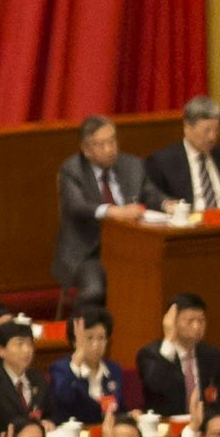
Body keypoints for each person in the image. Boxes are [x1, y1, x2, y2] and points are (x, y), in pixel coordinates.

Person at [56, 117, 154, 308]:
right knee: (94, 290)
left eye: (112, 141)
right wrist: (113, 212)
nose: (110, 149)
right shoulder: (72, 170)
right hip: (89, 253)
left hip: (133, 247)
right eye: (101, 144)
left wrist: (167, 203)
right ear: (86, 149)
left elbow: (150, 194)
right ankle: (83, 332)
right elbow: (77, 206)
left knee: (156, 279)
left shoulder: (132, 165)